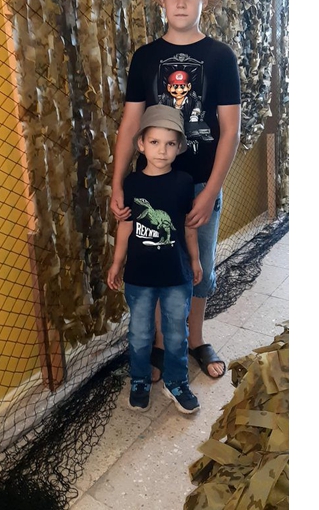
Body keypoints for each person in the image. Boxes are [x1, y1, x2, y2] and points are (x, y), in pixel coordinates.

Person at [111, 0, 241, 382]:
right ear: (162, 2)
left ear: (204, 1)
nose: (181, 3)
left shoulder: (221, 57)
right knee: (157, 259)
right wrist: (117, 183)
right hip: (151, 183)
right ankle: (162, 345)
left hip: (200, 183)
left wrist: (210, 191)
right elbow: (130, 123)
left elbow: (230, 130)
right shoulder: (145, 57)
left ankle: (195, 338)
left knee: (199, 262)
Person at [106, 105, 203, 414]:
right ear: (141, 144)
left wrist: (196, 261)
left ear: (179, 146)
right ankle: (140, 380)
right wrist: (116, 263)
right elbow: (126, 226)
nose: (162, 150)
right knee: (140, 333)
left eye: (170, 143)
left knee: (176, 333)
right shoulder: (132, 184)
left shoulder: (184, 182)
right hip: (139, 276)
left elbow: (188, 227)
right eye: (155, 142)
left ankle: (177, 382)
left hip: (176, 275)